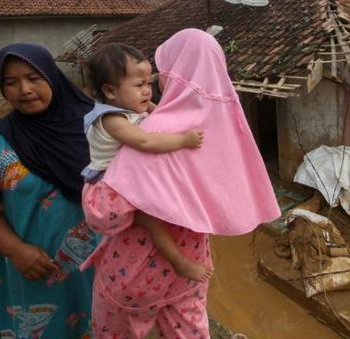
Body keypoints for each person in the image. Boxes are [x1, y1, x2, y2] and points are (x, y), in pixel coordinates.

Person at [82, 29, 281, 338]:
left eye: (158, 75)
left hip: (135, 270)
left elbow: (105, 215)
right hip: (193, 267)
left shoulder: (156, 131)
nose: (154, 86)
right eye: (142, 83)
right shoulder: (224, 126)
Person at [0, 44, 97, 338]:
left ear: (52, 75)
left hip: (99, 264)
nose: (24, 89)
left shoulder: (97, 127)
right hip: (36, 270)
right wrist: (16, 250)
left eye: (34, 77)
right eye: (11, 82)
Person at [81, 43, 210, 282]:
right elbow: (145, 142)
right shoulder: (110, 118)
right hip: (108, 195)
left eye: (149, 83)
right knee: (152, 220)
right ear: (110, 91)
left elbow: (161, 114)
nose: (147, 91)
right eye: (139, 85)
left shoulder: (131, 107)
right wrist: (183, 140)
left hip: (121, 186)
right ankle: (180, 262)